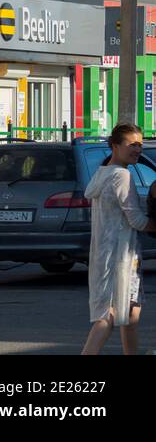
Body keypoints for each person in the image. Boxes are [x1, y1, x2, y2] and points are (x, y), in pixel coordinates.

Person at [82, 123, 156, 355]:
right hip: (119, 256)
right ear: (115, 146)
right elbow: (136, 219)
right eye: (131, 145)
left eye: (140, 145)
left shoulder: (102, 173)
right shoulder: (122, 175)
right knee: (111, 313)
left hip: (107, 252)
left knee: (130, 313)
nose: (137, 149)